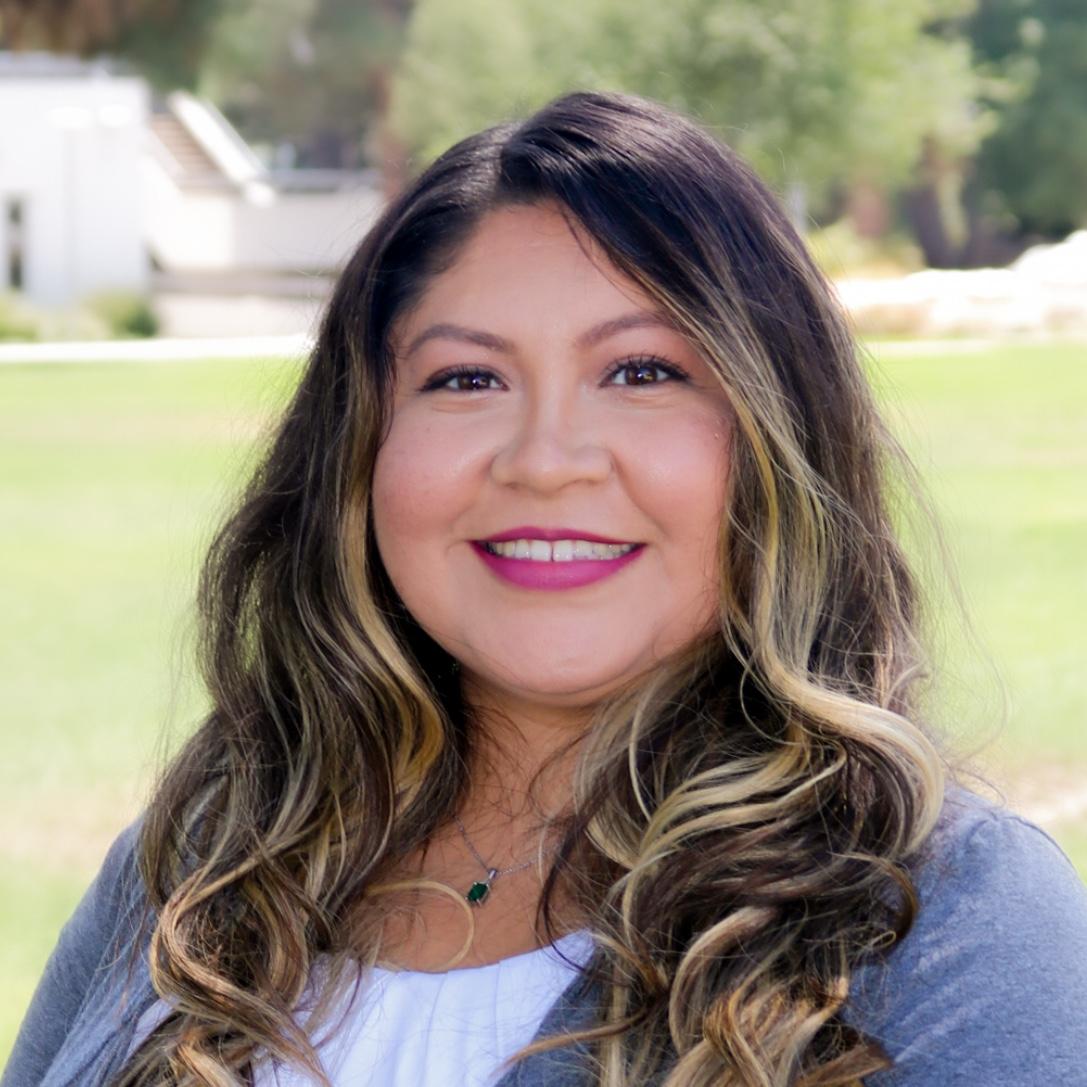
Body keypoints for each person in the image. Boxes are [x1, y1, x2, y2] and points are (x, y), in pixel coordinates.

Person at [4, 89, 1086, 1087]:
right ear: (358, 451)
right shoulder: (204, 857)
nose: (545, 460)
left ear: (778, 437)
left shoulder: (944, 920)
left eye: (642, 371)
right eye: (466, 378)